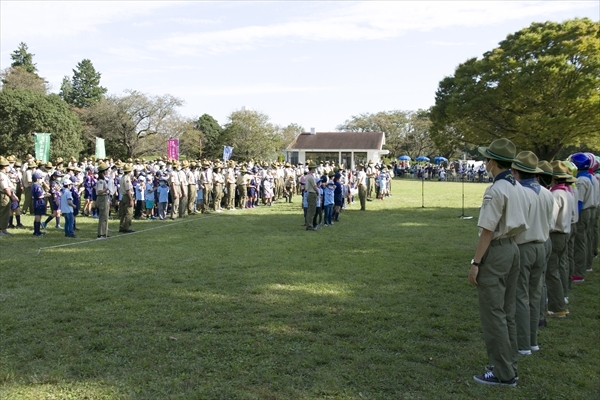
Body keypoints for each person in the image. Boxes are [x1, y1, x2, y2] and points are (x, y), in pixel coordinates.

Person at [469, 138, 528, 387]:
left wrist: (476, 262)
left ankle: (504, 372)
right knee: (507, 312)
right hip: (513, 248)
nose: (485, 163)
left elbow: (487, 231)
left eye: (486, 159)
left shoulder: (496, 189)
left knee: (494, 314)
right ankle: (507, 363)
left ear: (492, 162)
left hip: (497, 252)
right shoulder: (518, 187)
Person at [511, 152, 554, 355]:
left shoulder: (519, 192)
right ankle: (533, 340)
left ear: (516, 171)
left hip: (524, 246)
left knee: (521, 296)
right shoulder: (547, 193)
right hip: (542, 244)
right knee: (535, 293)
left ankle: (522, 343)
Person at [118, 163, 135, 233]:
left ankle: (121, 226)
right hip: (127, 196)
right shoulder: (127, 178)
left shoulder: (122, 177)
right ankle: (126, 227)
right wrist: (131, 199)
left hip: (123, 196)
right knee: (129, 213)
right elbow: (128, 189)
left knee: (123, 213)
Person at [95, 162, 110, 238]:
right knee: (103, 216)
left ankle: (104, 232)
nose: (107, 171)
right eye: (107, 170)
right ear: (104, 171)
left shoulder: (103, 180)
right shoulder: (101, 181)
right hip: (102, 198)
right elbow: (99, 191)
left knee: (105, 216)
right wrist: (107, 189)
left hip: (105, 198)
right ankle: (100, 233)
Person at [31, 172, 48, 236]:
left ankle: (37, 231)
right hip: (38, 202)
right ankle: (37, 231)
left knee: (38, 216)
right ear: (37, 179)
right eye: (40, 178)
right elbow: (39, 196)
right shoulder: (37, 186)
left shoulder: (34, 185)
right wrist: (46, 195)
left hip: (37, 202)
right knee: (38, 217)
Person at [305, 162, 318, 230]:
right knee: (311, 211)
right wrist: (317, 192)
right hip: (312, 193)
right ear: (312, 169)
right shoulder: (311, 177)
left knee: (310, 211)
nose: (315, 169)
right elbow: (314, 186)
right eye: (314, 168)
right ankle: (309, 225)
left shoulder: (308, 176)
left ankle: (309, 224)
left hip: (309, 193)